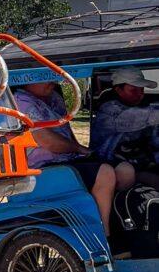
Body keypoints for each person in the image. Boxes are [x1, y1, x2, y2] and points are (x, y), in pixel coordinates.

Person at [14, 81, 132, 235]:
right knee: (105, 173)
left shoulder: (54, 98)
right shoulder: (20, 101)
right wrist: (78, 148)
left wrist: (83, 152)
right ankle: (104, 236)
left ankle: (121, 226)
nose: (52, 80)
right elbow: (48, 141)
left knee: (125, 172)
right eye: (44, 76)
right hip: (41, 168)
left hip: (68, 160)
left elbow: (67, 132)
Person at [91, 67, 159, 190]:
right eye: (133, 90)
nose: (140, 94)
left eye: (142, 89)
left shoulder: (140, 109)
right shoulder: (110, 111)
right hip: (111, 166)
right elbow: (147, 116)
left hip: (139, 163)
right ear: (118, 89)